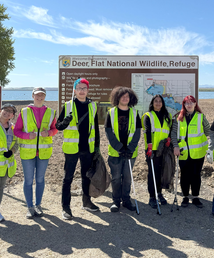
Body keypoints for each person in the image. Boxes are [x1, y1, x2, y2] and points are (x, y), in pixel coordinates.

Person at [56, 78, 100, 220]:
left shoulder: (93, 106)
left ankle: (86, 202)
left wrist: (97, 147)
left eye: (84, 88)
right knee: (67, 178)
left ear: (87, 90)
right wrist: (65, 122)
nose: (82, 90)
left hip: (87, 148)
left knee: (86, 176)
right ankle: (66, 207)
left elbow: (96, 128)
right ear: (74, 90)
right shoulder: (68, 105)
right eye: (79, 88)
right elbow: (58, 126)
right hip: (71, 148)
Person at [14, 87, 58, 219]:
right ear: (32, 96)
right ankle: (30, 207)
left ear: (45, 97)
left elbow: (55, 129)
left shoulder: (51, 112)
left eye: (42, 95)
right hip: (28, 153)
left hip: (43, 153)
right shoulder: (24, 112)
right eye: (37, 95)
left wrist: (49, 133)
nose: (39, 97)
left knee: (40, 180)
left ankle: (38, 205)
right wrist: (27, 136)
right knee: (28, 181)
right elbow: (16, 131)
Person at [104, 86, 141, 212]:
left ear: (130, 98)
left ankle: (126, 200)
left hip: (131, 153)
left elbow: (137, 133)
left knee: (127, 177)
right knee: (115, 178)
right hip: (115, 152)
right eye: (122, 96)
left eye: (127, 96)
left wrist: (130, 148)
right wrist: (120, 148)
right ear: (117, 97)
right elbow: (108, 132)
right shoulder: (111, 113)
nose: (125, 98)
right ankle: (116, 201)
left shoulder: (135, 113)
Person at [171, 95, 210, 208]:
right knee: (184, 175)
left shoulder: (201, 117)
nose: (189, 105)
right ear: (184, 104)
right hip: (183, 152)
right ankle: (185, 197)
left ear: (195, 104)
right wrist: (175, 146)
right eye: (186, 103)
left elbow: (207, 130)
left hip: (198, 152)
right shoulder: (178, 117)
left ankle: (196, 197)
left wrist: (198, 139)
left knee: (196, 175)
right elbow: (174, 133)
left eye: (191, 102)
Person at [142, 95, 172, 208]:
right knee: (152, 173)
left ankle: (159, 193)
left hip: (164, 149)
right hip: (152, 149)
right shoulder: (148, 116)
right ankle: (152, 197)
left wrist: (168, 138)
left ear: (163, 103)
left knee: (160, 172)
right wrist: (149, 147)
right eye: (156, 101)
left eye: (160, 101)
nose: (158, 103)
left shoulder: (167, 116)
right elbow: (147, 131)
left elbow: (168, 129)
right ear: (152, 103)